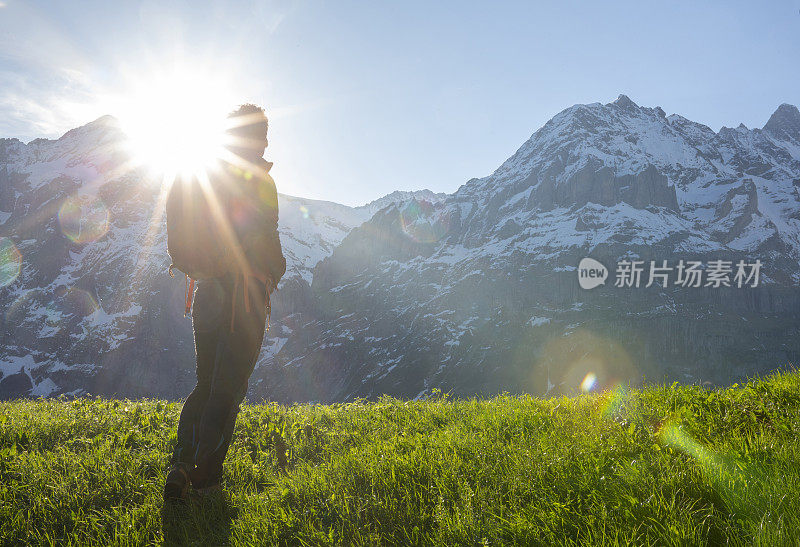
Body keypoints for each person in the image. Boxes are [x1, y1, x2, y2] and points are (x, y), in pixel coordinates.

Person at [164, 104, 285, 501]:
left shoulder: (203, 172)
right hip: (243, 297)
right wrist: (277, 268)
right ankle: (206, 483)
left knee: (206, 382)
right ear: (261, 138)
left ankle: (182, 464)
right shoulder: (256, 180)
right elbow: (262, 239)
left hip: (206, 291)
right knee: (228, 388)